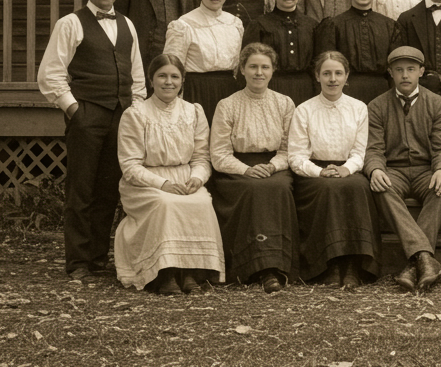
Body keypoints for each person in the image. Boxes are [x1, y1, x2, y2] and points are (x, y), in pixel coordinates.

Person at [38, 0, 147, 281]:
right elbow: (50, 75)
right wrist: (75, 110)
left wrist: (135, 109)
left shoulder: (127, 25)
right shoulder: (70, 23)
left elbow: (138, 76)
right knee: (81, 190)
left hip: (121, 117)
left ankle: (99, 259)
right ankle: (79, 263)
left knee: (109, 190)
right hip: (87, 114)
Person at [114, 54, 224, 294]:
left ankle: (190, 272)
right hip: (145, 182)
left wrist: (197, 178)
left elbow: (201, 157)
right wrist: (162, 184)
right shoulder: (136, 114)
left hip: (185, 177)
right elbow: (130, 166)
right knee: (166, 204)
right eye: (162, 76)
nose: (168, 82)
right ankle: (165, 274)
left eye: (175, 76)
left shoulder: (193, 112)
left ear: (182, 80)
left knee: (202, 202)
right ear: (151, 80)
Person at [208, 43, 297, 293]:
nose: (259, 72)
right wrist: (246, 170)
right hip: (236, 170)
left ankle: (275, 267)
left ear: (273, 71)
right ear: (242, 70)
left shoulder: (284, 103)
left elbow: (289, 149)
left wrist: (271, 166)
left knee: (277, 188)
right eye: (253, 67)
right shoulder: (227, 105)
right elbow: (219, 153)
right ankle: (252, 267)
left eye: (265, 67)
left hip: (274, 166)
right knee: (254, 190)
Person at [365, 47, 441, 293]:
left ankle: (413, 264)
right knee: (382, 187)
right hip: (395, 170)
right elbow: (373, 149)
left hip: (427, 170)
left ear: (421, 72)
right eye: (399, 70)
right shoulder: (377, 105)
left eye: (411, 70)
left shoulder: (437, 103)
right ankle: (425, 259)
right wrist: (375, 170)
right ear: (390, 73)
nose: (405, 75)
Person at [287, 51, 377, 289]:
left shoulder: (359, 108)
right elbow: (296, 155)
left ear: (347, 77)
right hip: (313, 173)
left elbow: (360, 152)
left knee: (357, 187)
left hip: (349, 171)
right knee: (327, 190)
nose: (332, 79)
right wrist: (319, 172)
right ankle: (330, 265)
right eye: (326, 73)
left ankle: (352, 266)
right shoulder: (304, 110)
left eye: (338, 73)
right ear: (317, 76)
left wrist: (347, 169)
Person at [163, 0, 244, 123]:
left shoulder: (235, 23)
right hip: (196, 91)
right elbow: (172, 67)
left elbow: (238, 65)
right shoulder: (184, 24)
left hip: (229, 90)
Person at [313, 0, 401, 103]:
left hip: (382, 94)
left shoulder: (389, 26)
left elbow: (395, 68)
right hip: (344, 93)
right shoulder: (334, 25)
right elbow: (325, 67)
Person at [243, 0, 318, 105]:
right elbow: (248, 65)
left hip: (306, 92)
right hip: (270, 91)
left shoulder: (312, 25)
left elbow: (318, 66)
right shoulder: (259, 25)